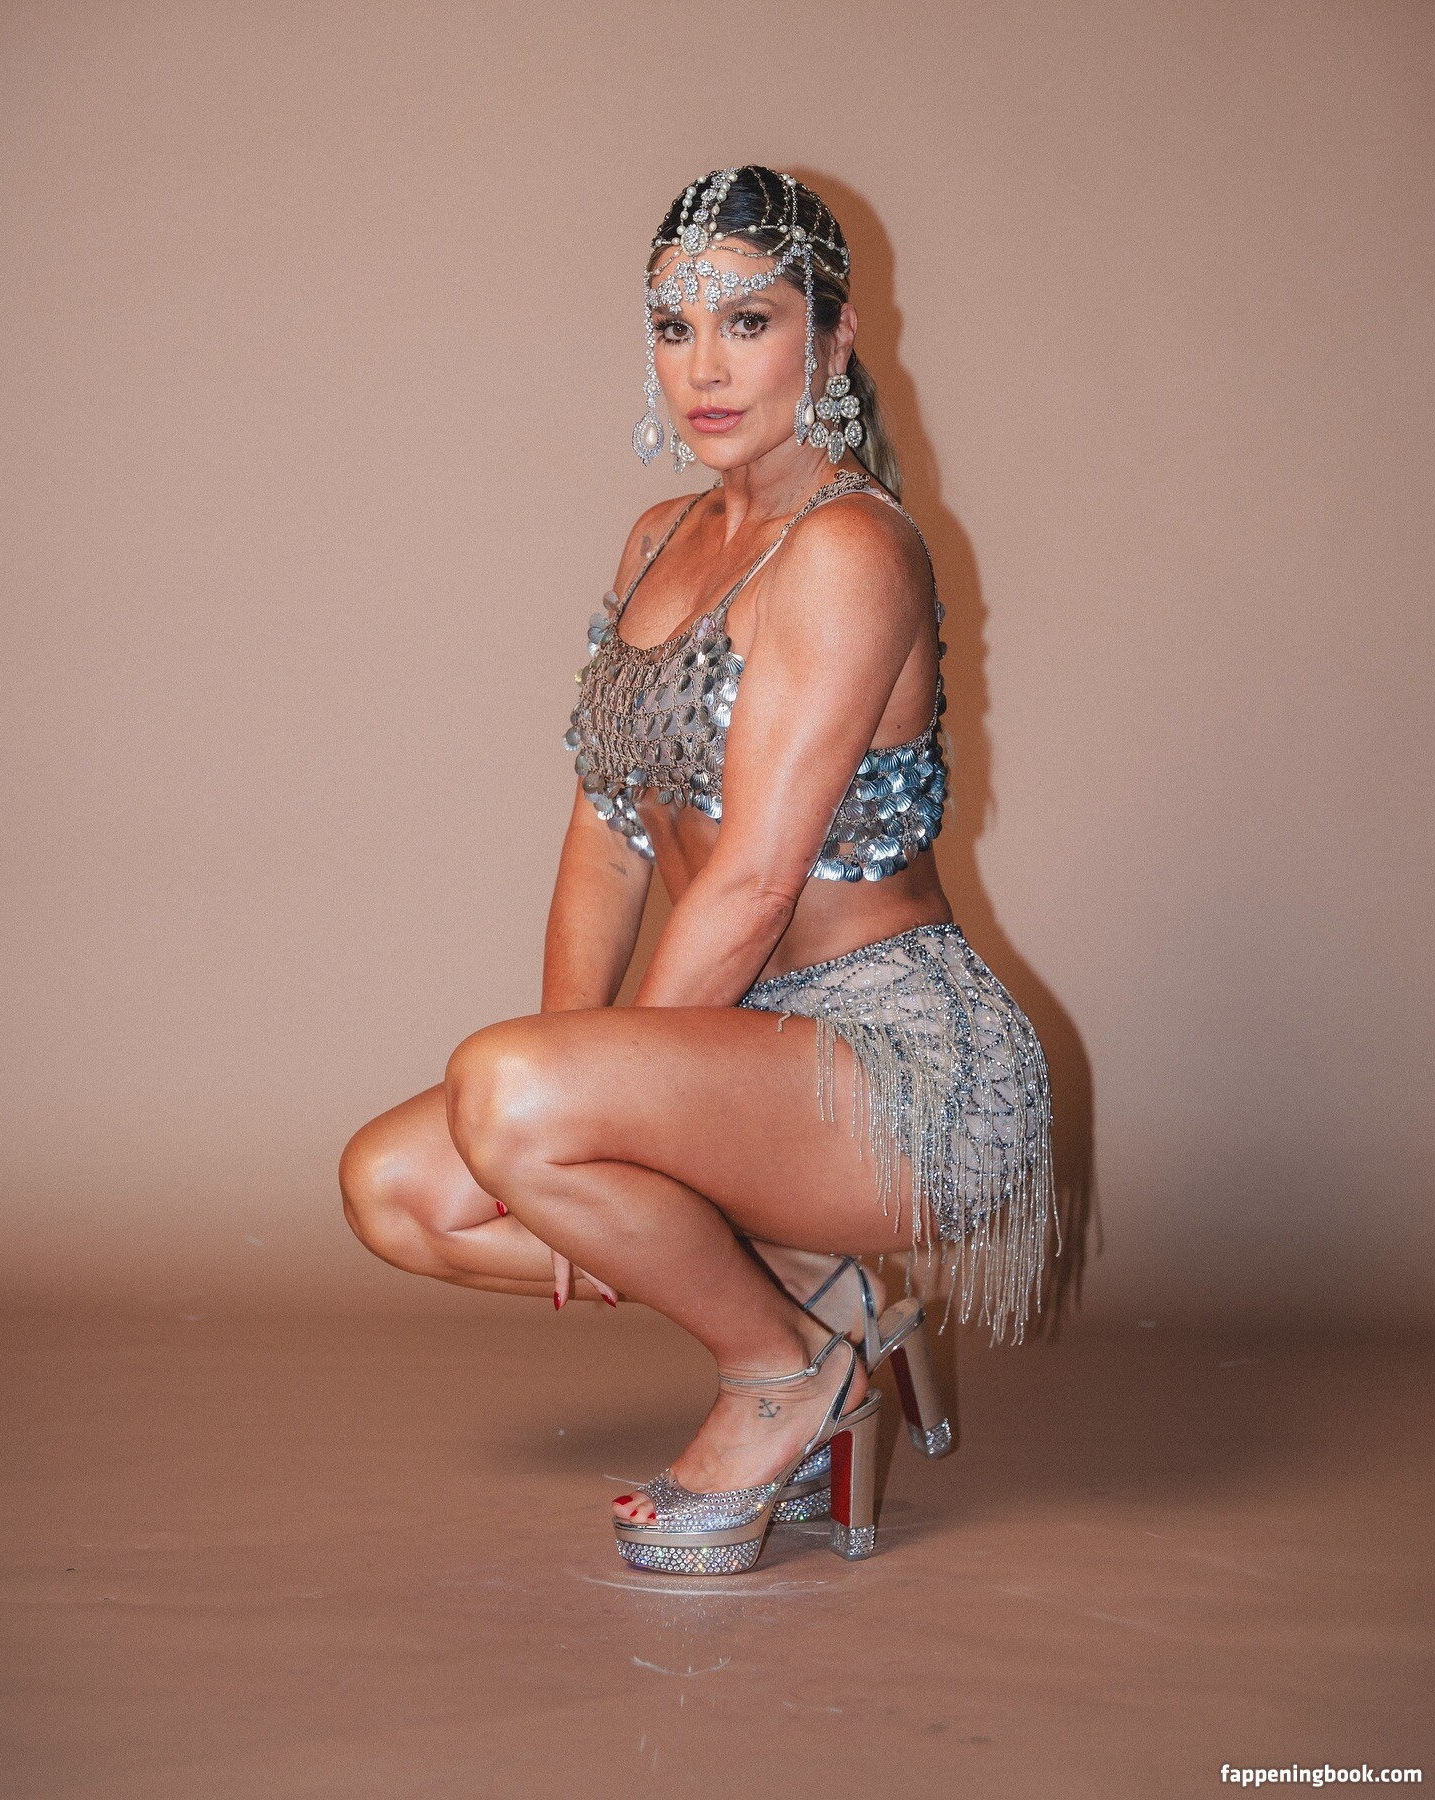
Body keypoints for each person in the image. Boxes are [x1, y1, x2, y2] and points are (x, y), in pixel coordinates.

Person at [340, 166, 1057, 1576]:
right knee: (397, 1187)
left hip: (897, 1068)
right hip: (736, 1053)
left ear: (832, 341)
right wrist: (571, 1085)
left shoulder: (851, 548)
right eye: (676, 328)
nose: (707, 368)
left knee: (515, 1099)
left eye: (750, 321)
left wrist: (584, 1112)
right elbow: (605, 842)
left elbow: (750, 887)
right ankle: (825, 1308)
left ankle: (782, 1375)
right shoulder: (661, 540)